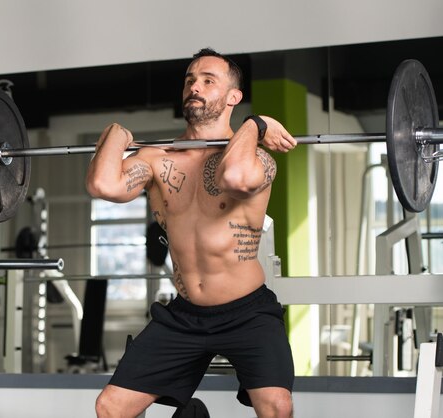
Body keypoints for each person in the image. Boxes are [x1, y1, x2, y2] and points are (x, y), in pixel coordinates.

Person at [86, 48, 297, 418]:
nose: (194, 87)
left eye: (207, 80)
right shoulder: (156, 158)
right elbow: (104, 185)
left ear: (234, 97)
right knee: (110, 407)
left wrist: (254, 125)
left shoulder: (257, 158)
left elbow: (232, 176)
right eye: (189, 80)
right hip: (184, 314)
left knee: (277, 407)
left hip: (248, 312)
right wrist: (115, 133)